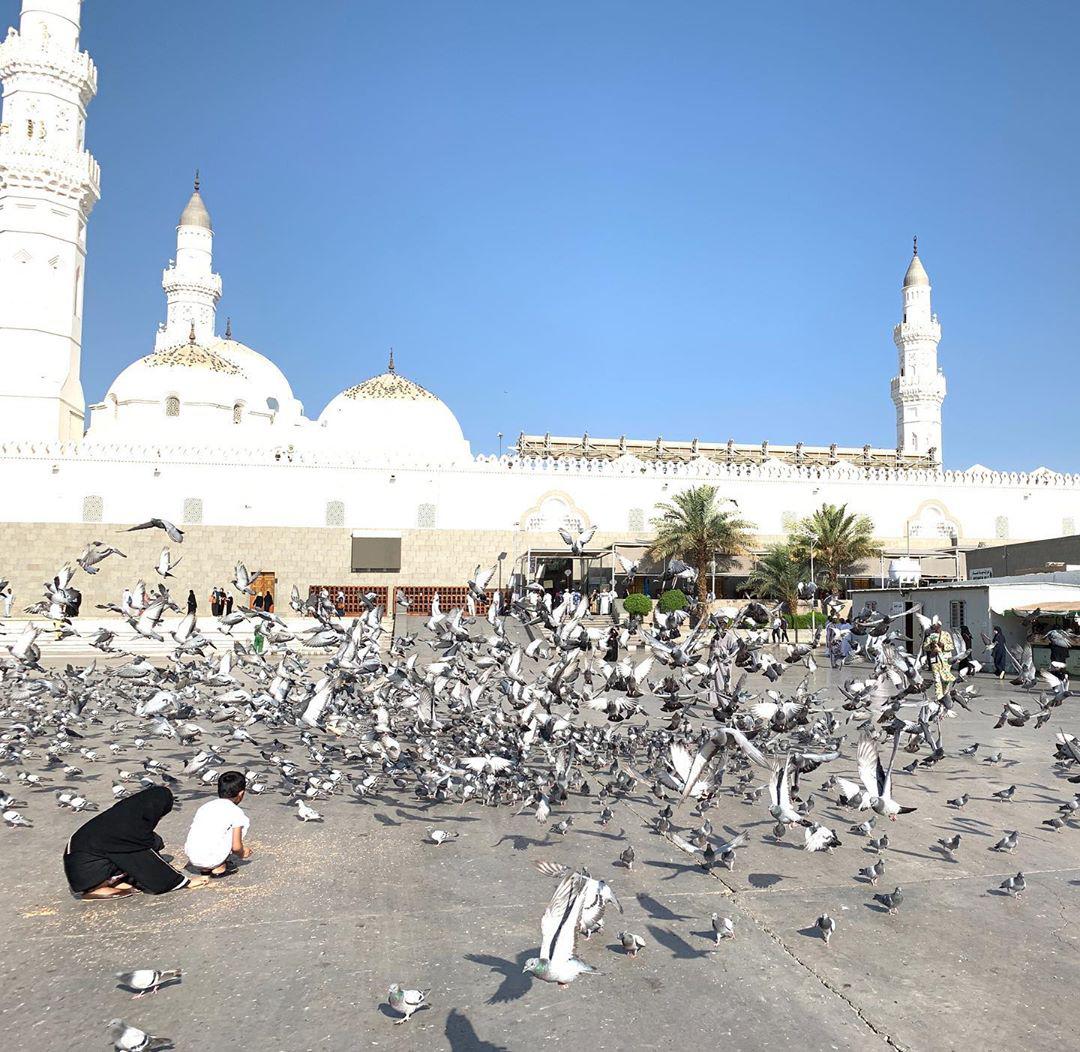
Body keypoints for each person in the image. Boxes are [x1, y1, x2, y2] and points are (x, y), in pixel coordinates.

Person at [63, 785, 208, 899]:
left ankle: (112, 880)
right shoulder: (127, 829)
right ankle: (96, 888)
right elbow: (143, 857)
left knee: (154, 841)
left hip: (86, 857)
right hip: (84, 871)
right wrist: (183, 882)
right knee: (139, 852)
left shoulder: (126, 812)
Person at [183, 770, 252, 877]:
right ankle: (219, 868)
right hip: (212, 860)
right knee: (242, 823)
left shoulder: (205, 807)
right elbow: (236, 847)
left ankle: (205, 869)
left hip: (193, 857)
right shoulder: (236, 812)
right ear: (241, 794)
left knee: (212, 828)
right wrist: (243, 852)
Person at [922, 619, 956, 701]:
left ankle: (945, 693)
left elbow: (951, 646)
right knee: (937, 678)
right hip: (935, 659)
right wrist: (931, 646)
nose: (935, 628)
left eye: (937, 626)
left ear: (940, 626)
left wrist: (943, 645)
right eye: (934, 626)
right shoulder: (930, 636)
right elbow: (925, 647)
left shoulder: (946, 634)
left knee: (945, 679)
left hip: (945, 660)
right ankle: (939, 696)